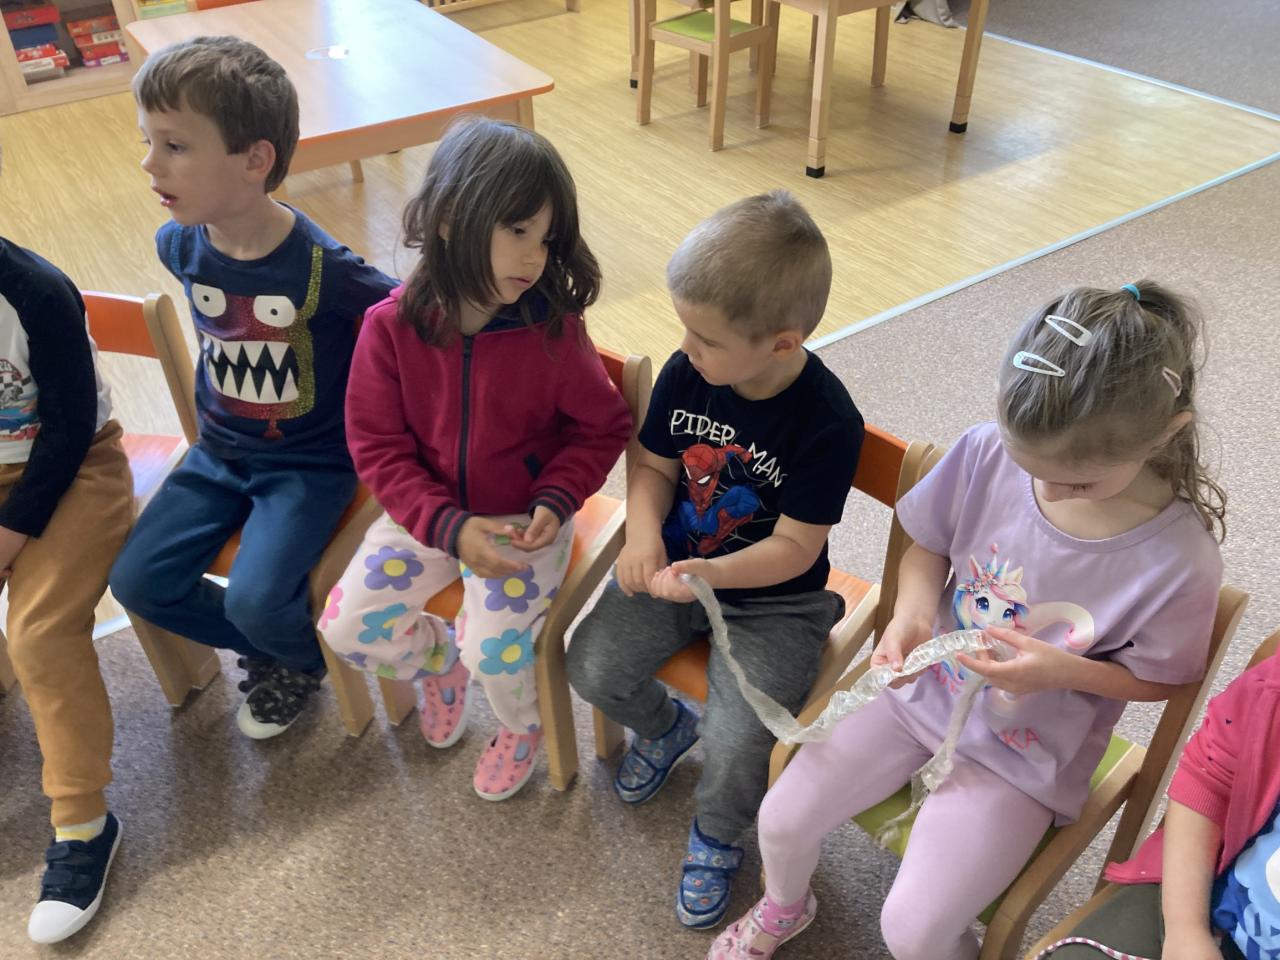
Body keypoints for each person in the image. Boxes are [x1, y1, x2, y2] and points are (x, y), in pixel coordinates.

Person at [712, 281, 1226, 960]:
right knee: (780, 819)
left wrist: (1061, 673)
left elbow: (1163, 680)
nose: (1050, 491)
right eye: (1031, 468)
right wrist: (910, 616)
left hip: (1023, 753)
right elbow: (928, 544)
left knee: (914, 930)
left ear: (1167, 432)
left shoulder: (1179, 560)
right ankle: (786, 906)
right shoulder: (987, 451)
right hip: (918, 694)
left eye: (1078, 482)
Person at [567, 191, 864, 928]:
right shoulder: (688, 370)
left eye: (705, 339)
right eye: (685, 331)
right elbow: (653, 465)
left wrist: (715, 574)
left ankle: (719, 833)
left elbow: (796, 547)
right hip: (673, 568)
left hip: (776, 602)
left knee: (740, 741)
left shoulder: (829, 422)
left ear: (782, 345)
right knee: (591, 666)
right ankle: (666, 726)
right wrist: (642, 536)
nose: (687, 349)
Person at [319, 117, 631, 801]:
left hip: (522, 522)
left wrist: (554, 499)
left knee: (495, 653)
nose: (535, 256)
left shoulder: (553, 331)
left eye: (546, 239)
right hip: (424, 516)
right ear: (451, 220)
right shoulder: (389, 328)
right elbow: (376, 446)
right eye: (518, 230)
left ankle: (521, 727)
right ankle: (440, 664)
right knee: (345, 630)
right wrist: (448, 528)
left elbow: (602, 428)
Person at [109, 36, 397, 739]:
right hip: (217, 455)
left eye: (175, 146)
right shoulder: (179, 243)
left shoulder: (327, 269)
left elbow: (405, 318)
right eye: (148, 141)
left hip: (308, 466)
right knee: (137, 582)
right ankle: (279, 648)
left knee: (258, 600)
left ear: (254, 160)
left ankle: (298, 658)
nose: (149, 163)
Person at [0, 236, 133, 943]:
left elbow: (71, 427)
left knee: (41, 632)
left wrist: (11, 533)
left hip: (75, 466)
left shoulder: (35, 290)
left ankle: (84, 824)